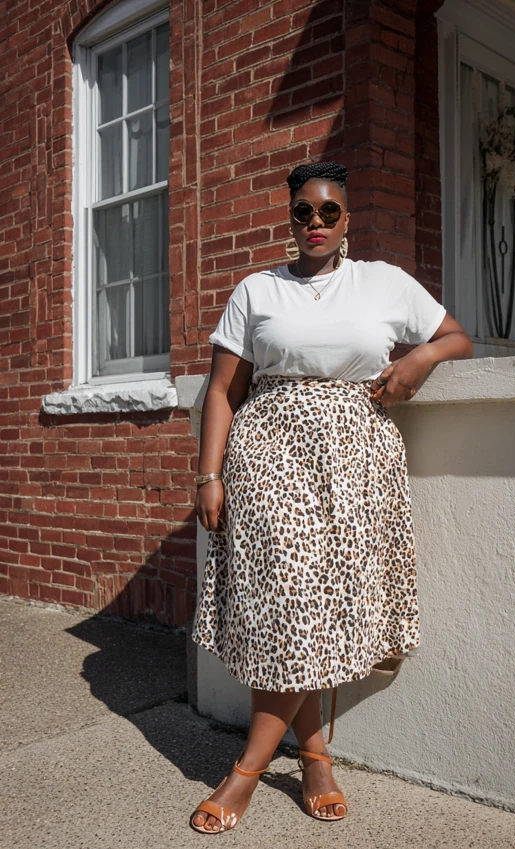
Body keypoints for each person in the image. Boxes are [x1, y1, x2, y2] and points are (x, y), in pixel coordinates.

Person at [189, 161, 473, 834]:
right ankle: (255, 769)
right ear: (290, 219)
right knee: (288, 603)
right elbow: (223, 390)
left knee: (317, 609)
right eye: (303, 212)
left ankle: (311, 756)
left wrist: (419, 359)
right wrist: (209, 475)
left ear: (347, 219)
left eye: (328, 212)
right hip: (268, 459)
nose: (314, 223)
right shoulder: (257, 290)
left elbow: (456, 336)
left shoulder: (383, 281)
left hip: (355, 464)